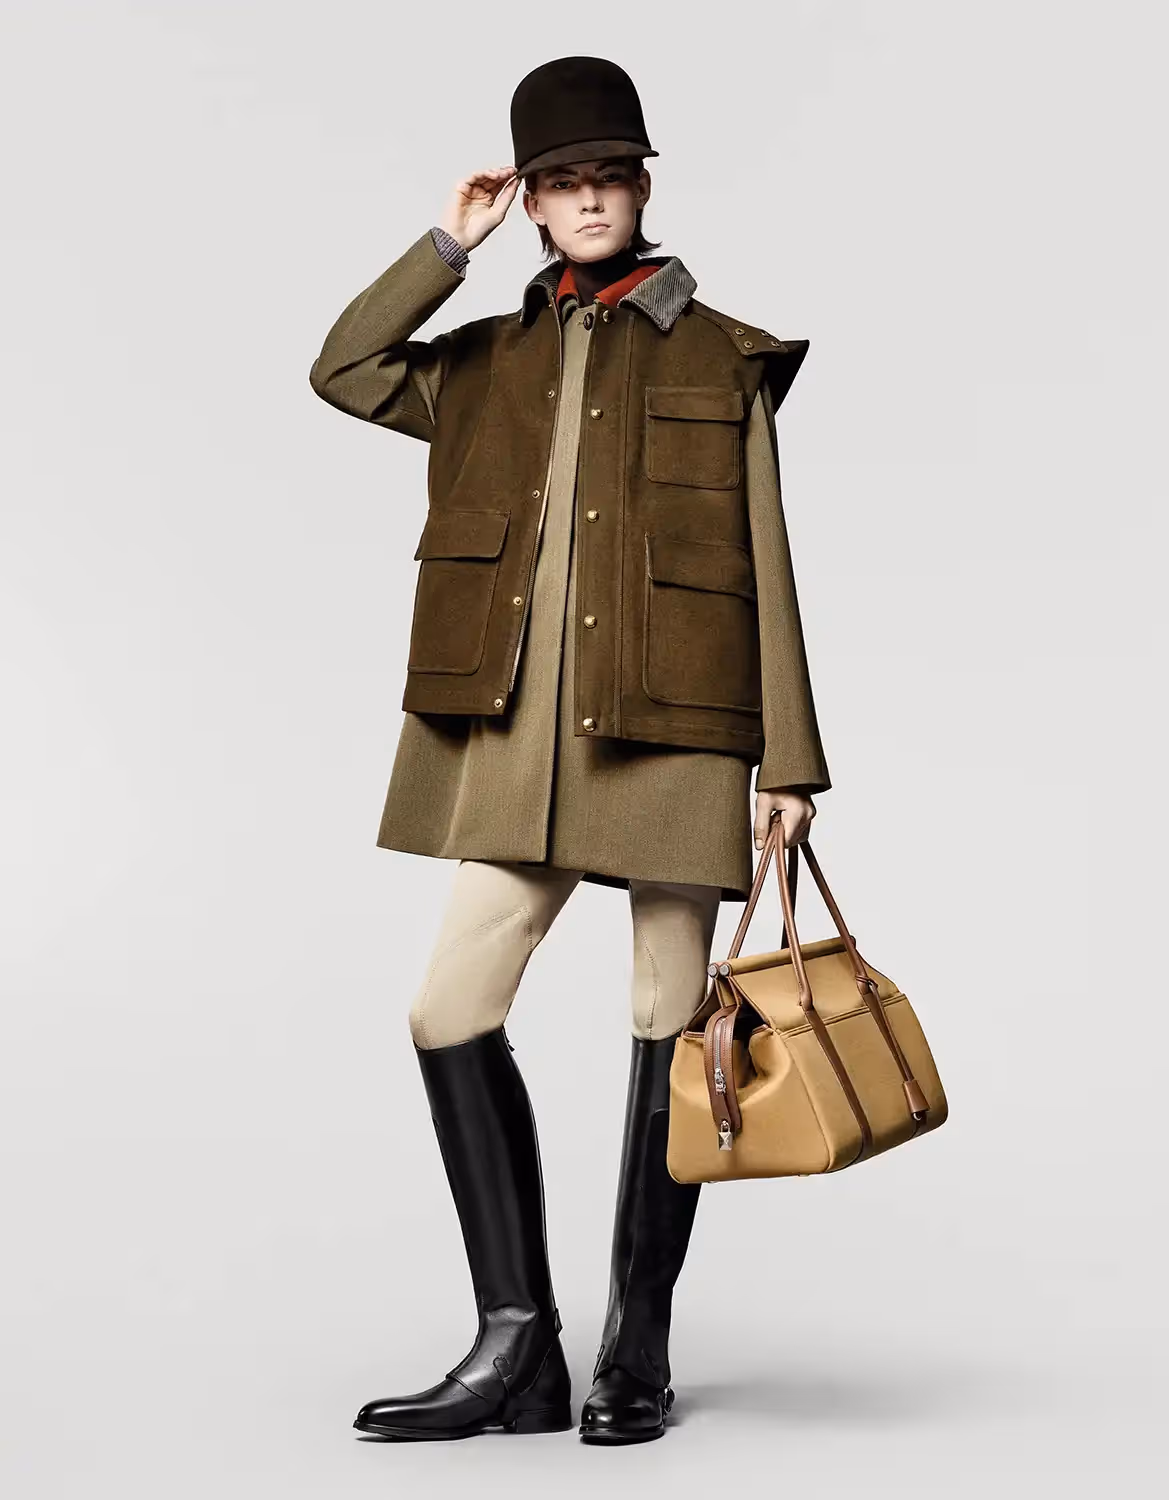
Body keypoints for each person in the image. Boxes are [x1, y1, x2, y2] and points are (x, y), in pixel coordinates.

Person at [308, 55, 831, 1445]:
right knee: (448, 1010)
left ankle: (635, 1349)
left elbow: (769, 562)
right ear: (531, 201)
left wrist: (790, 763)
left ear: (641, 189)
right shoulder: (483, 361)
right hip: (516, 742)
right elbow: (343, 369)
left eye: (609, 175)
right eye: (561, 181)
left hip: (676, 730)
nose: (589, 198)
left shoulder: (722, 354)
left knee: (669, 1022)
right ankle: (519, 1345)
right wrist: (447, 247)